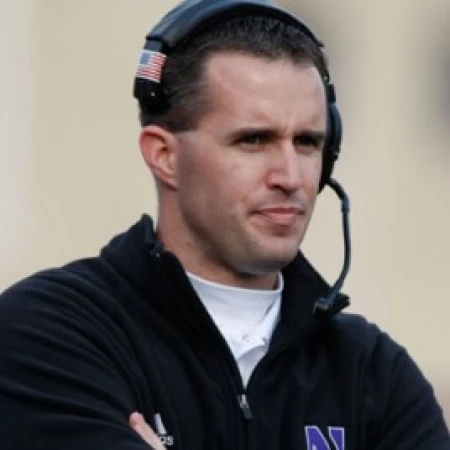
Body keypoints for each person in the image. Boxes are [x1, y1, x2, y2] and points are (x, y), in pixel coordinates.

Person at [0, 0, 449, 449]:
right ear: (164, 156)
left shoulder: (375, 375)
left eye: (307, 142)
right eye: (253, 140)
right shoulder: (48, 334)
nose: (291, 177)